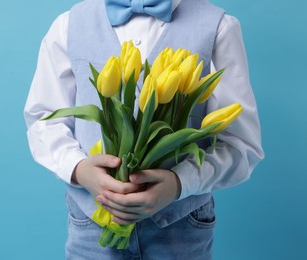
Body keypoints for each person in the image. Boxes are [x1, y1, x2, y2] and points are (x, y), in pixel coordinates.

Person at [24, 0, 264, 259]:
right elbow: (44, 120)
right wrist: (79, 170)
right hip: (91, 228)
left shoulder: (218, 28)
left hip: (180, 230)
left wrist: (178, 183)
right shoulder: (68, 25)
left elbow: (242, 146)